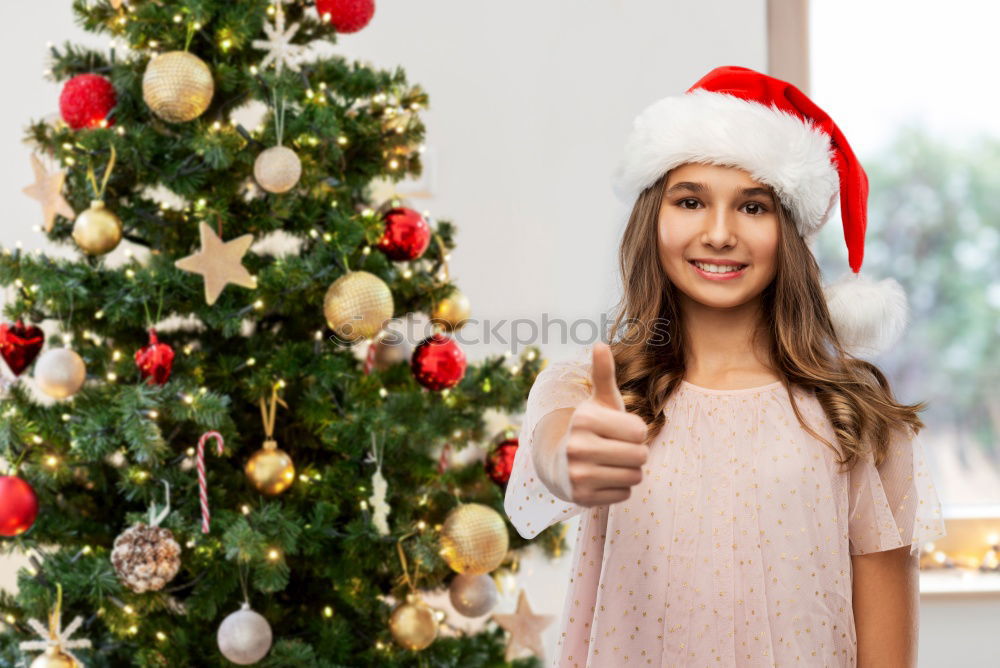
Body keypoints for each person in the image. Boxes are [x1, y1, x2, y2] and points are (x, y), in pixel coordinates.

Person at [503, 65, 947, 667]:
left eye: (753, 207)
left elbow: (887, 654)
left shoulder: (854, 416)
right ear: (653, 221)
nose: (718, 233)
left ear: (787, 232)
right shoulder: (589, 389)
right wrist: (573, 459)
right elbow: (558, 454)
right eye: (690, 201)